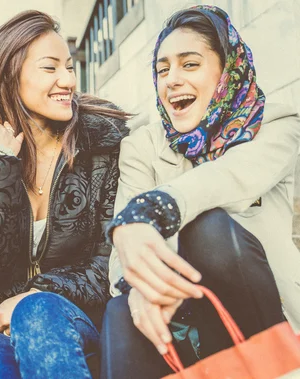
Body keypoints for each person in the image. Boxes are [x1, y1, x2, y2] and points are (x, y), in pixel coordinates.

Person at [102, 5, 300, 378]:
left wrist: (153, 211)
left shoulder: (274, 121)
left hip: (263, 315)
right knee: (121, 309)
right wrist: (142, 284)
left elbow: (229, 178)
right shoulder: (142, 146)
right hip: (182, 315)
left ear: (226, 70)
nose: (171, 80)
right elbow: (121, 255)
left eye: (189, 64)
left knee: (208, 229)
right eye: (162, 69)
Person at [0, 10, 129, 378]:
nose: (68, 80)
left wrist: (34, 294)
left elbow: (111, 259)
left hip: (78, 315)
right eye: (50, 68)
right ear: (10, 75)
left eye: (70, 67)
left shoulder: (103, 143)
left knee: (38, 312)